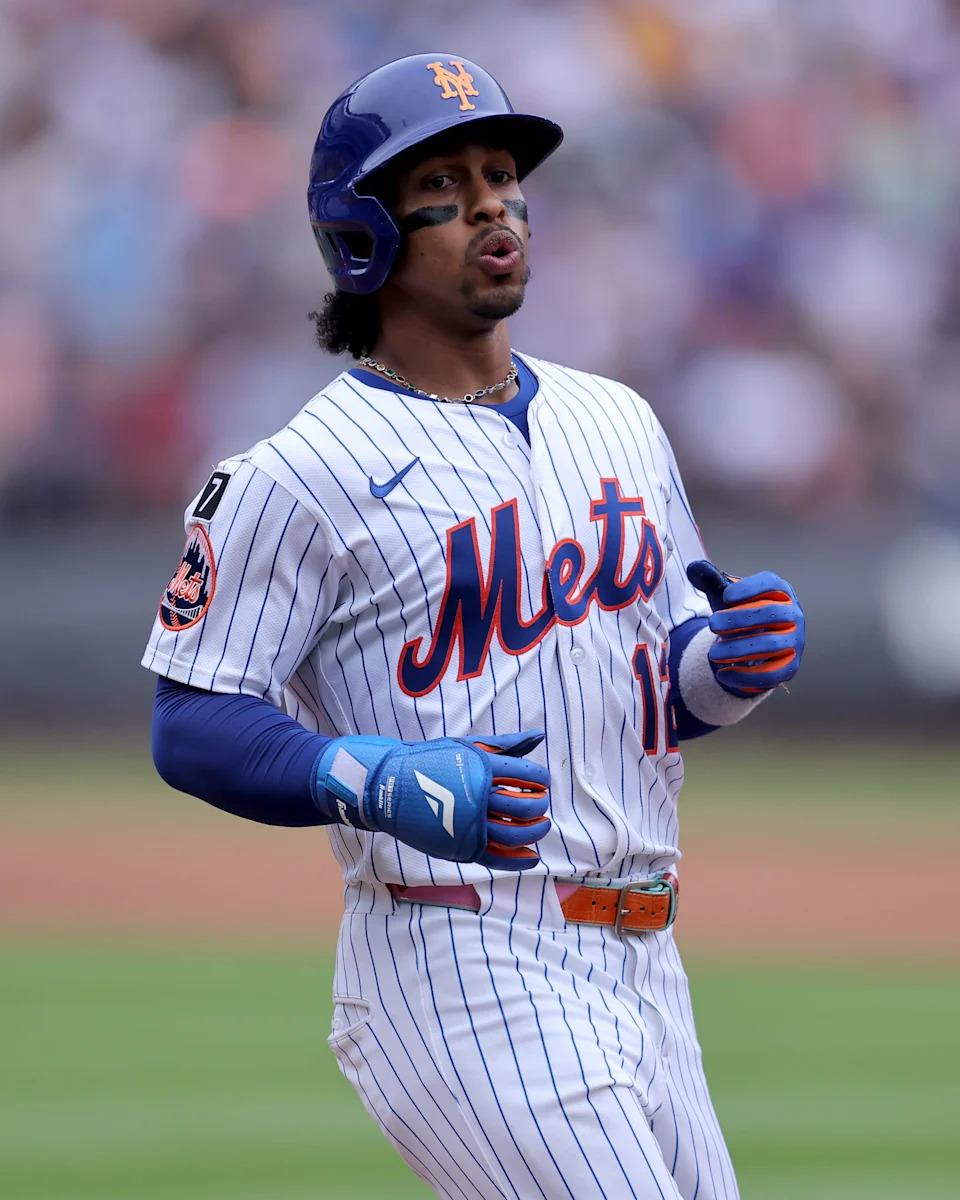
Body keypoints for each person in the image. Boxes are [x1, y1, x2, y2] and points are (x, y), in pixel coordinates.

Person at [143, 53, 805, 1200]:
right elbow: (190, 717)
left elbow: (643, 686)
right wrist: (371, 774)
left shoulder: (618, 421)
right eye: (442, 186)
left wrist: (722, 669)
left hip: (647, 952)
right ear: (365, 234)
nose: (493, 202)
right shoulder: (299, 474)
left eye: (502, 175)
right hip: (458, 953)